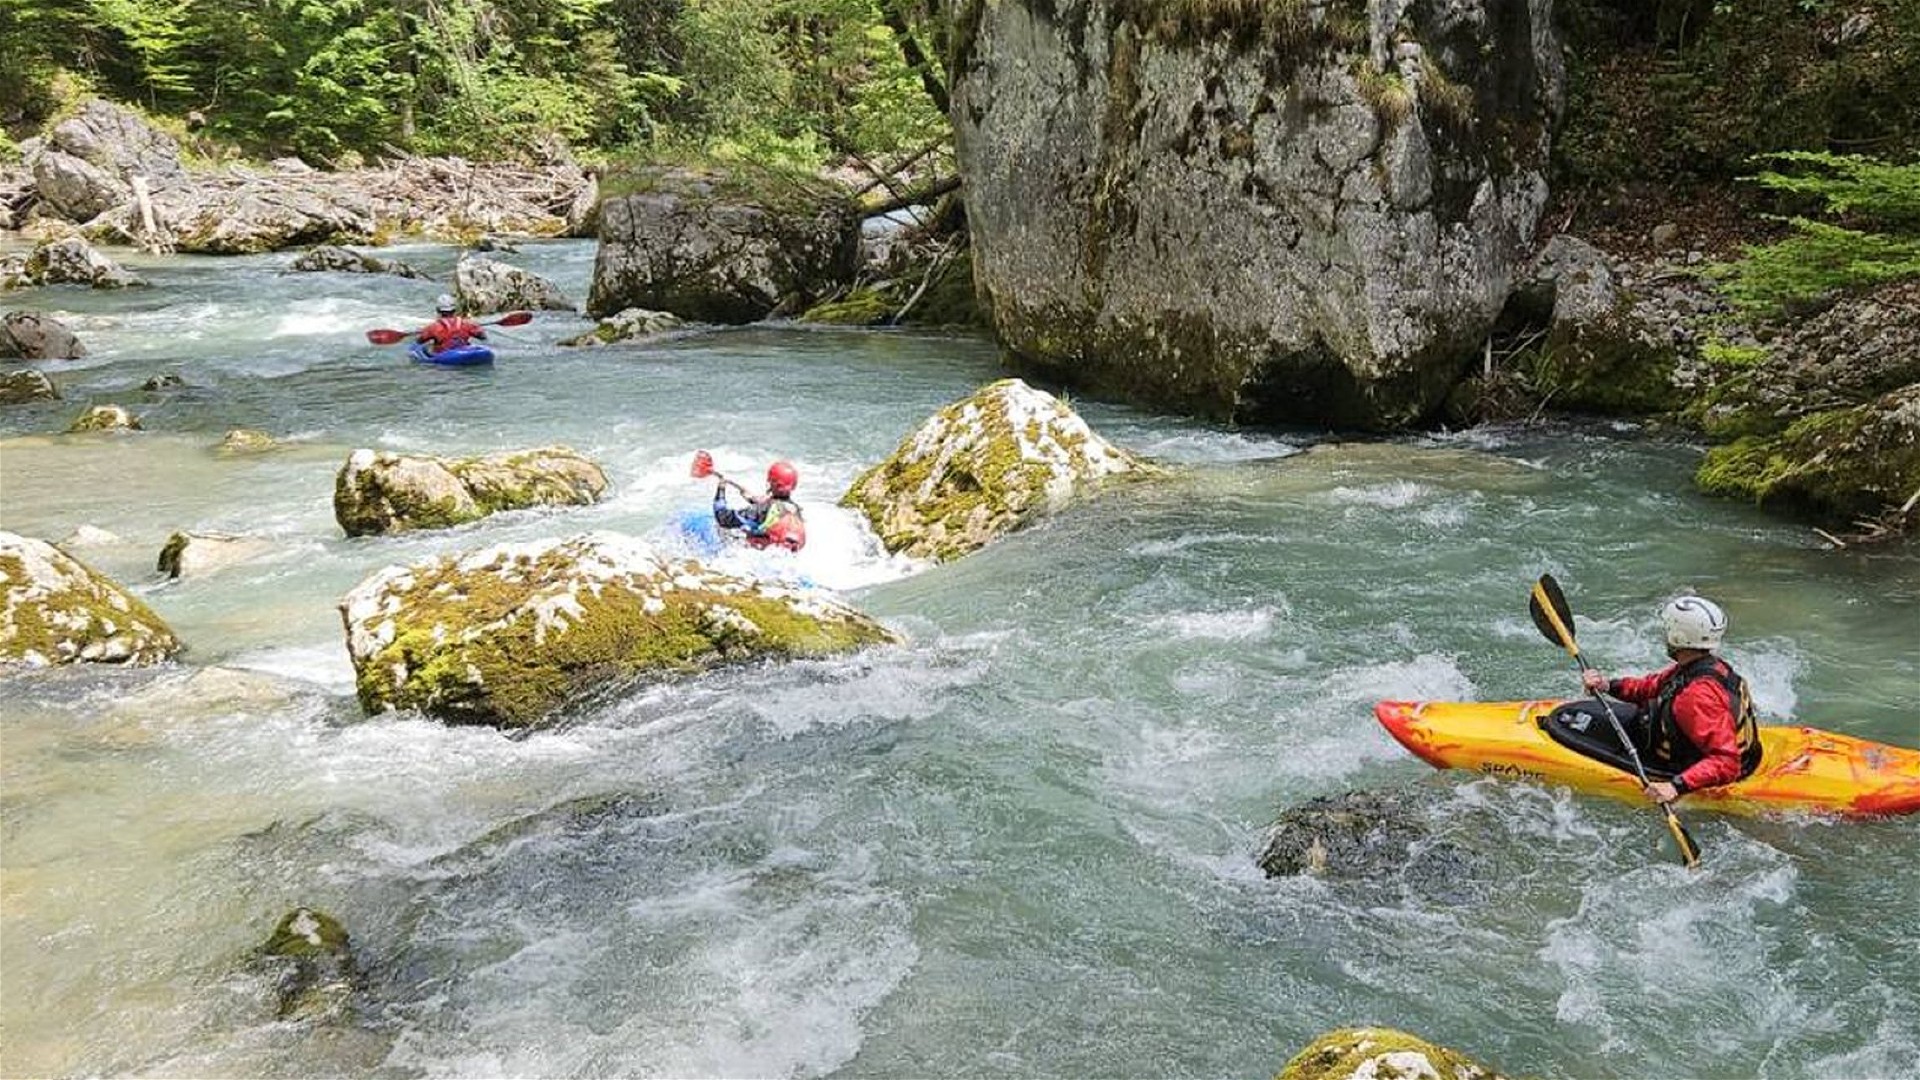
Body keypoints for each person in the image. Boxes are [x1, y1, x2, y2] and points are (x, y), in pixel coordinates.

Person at [1579, 595, 1763, 804]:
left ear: (1678, 637)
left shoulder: (1695, 697)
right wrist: (1608, 685)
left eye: (1668, 630)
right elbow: (1653, 687)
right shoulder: (1706, 667)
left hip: (1714, 768)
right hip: (1738, 754)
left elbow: (1727, 763)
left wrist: (1675, 786)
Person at [713, 460, 806, 551]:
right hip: (781, 553)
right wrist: (734, 484)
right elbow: (765, 505)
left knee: (723, 528)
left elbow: (722, 517)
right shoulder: (796, 510)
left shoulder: (762, 509)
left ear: (771, 483)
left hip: (760, 554)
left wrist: (721, 487)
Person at [416, 294, 485, 355]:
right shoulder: (467, 323)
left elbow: (419, 341)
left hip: (444, 356)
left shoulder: (433, 327)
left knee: (426, 348)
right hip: (463, 350)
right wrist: (477, 327)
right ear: (454, 310)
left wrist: (425, 332)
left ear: (438, 310)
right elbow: (483, 337)